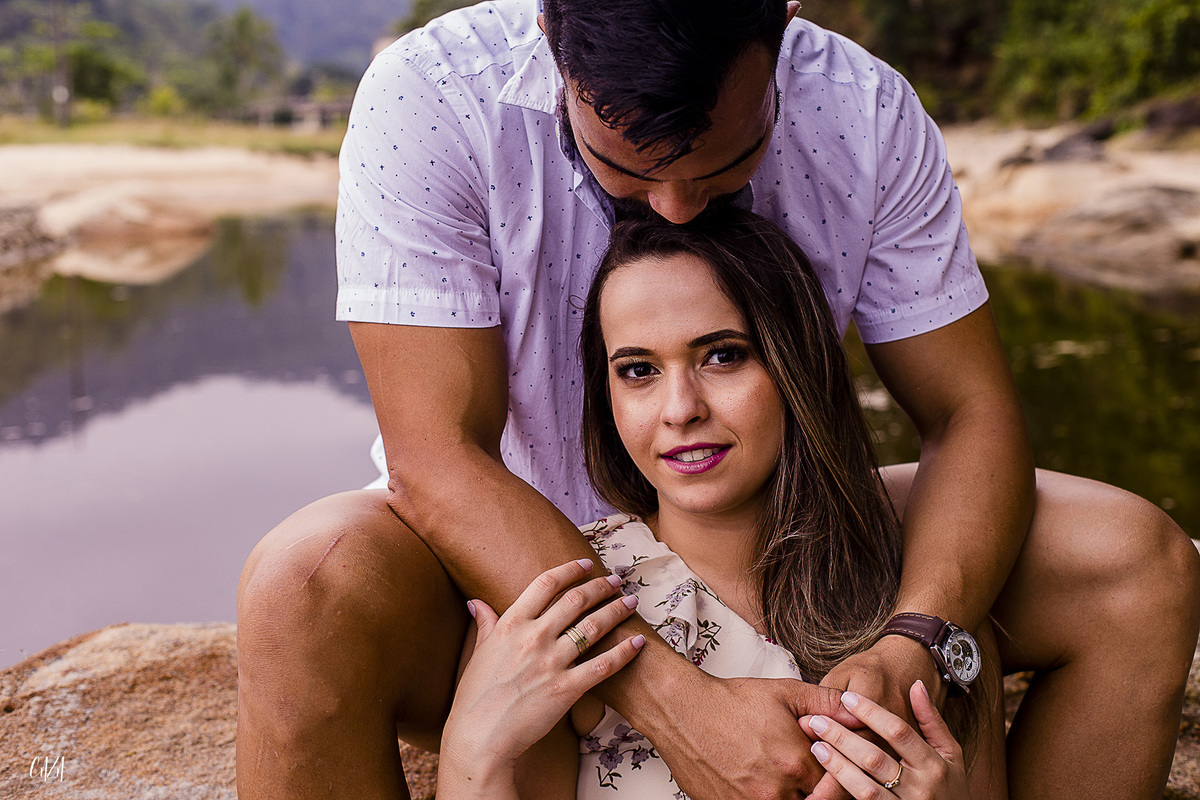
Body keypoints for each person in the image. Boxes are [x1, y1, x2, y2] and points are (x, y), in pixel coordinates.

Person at [235, 1, 1200, 798]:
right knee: (302, 582)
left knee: (1134, 562)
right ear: (550, 33)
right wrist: (679, 705)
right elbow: (436, 456)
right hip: (506, 568)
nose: (677, 209)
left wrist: (921, 634)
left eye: (726, 166)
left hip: (783, 520)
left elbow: (970, 414)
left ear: (781, 26)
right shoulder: (430, 98)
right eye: (626, 168)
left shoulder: (864, 110)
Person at [436, 207, 1004, 800]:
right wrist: (471, 752)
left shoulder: (921, 611)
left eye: (722, 356)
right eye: (637, 370)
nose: (680, 409)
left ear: (796, 367)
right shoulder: (561, 607)